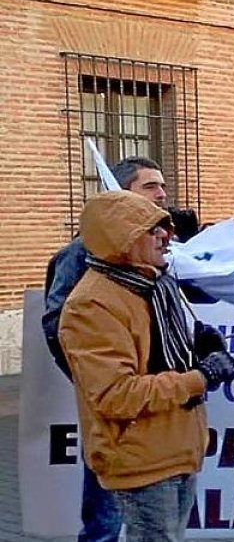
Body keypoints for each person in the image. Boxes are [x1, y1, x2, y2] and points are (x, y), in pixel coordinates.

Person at [58, 190, 234, 542]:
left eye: (165, 227)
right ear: (120, 239)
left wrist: (199, 344)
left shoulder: (155, 285)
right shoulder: (92, 305)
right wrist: (201, 377)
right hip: (140, 459)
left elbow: (165, 351)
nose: (165, 236)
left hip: (178, 448)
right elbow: (116, 395)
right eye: (151, 229)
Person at [42, 156, 169, 542]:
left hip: (153, 403)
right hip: (114, 408)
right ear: (121, 192)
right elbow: (57, 325)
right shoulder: (82, 251)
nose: (162, 194)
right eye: (150, 186)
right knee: (105, 521)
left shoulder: (155, 248)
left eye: (162, 186)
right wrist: (98, 382)